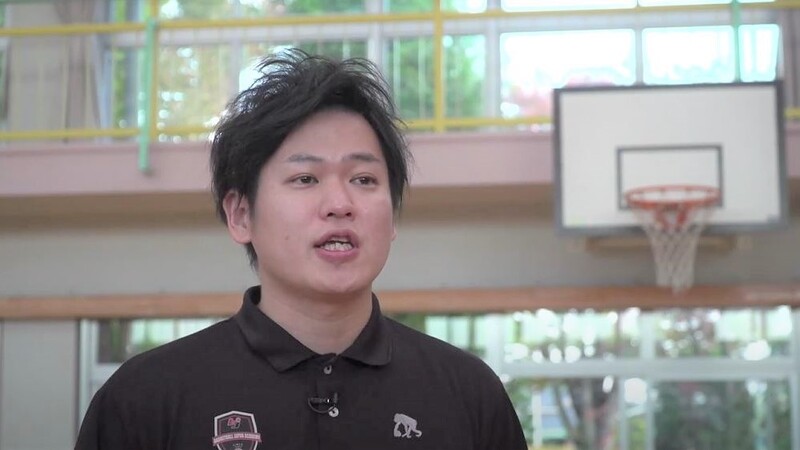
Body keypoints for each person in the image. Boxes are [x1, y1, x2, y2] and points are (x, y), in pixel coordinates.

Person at [75, 49, 527, 450]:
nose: (339, 204)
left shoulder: (468, 394)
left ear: (392, 217)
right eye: (305, 178)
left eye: (364, 179)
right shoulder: (145, 399)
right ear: (241, 215)